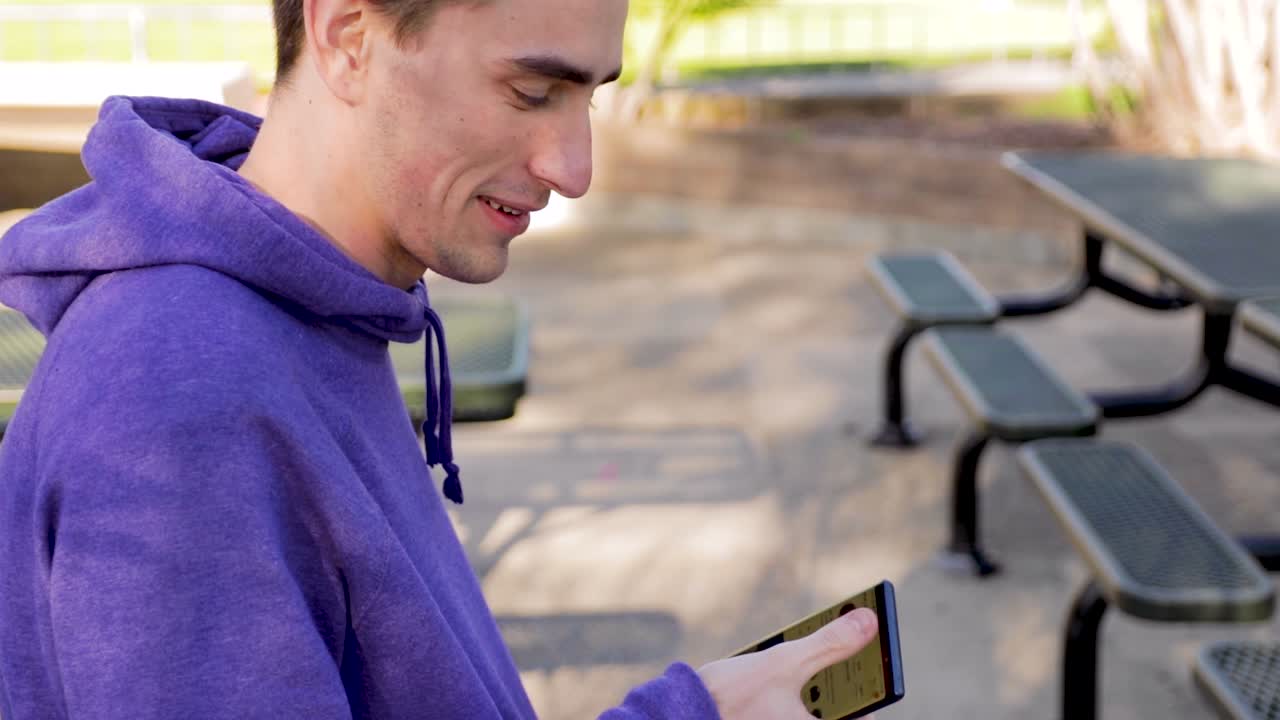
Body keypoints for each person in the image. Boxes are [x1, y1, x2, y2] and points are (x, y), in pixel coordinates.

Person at [0, 0, 880, 717]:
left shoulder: (311, 307)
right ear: (349, 37)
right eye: (533, 91)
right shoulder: (183, 405)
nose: (574, 169)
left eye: (586, 98)